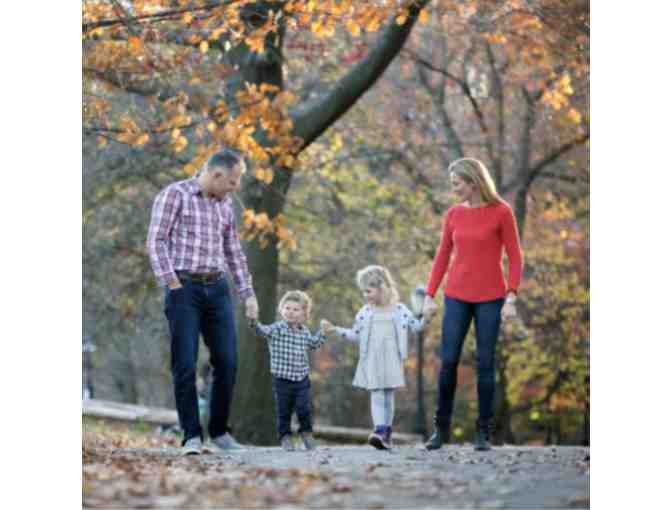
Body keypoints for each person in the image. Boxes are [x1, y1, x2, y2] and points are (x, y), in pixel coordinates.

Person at [146, 148, 259, 455]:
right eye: (233, 181)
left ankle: (220, 431)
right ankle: (191, 436)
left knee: (228, 360)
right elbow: (156, 240)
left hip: (217, 288)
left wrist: (247, 293)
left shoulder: (225, 205)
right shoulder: (174, 195)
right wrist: (172, 282)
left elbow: (233, 252)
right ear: (217, 174)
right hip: (184, 287)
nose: (236, 188)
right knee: (184, 362)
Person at [422, 157, 523, 452]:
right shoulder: (453, 214)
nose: (454, 189)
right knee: (449, 361)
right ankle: (441, 430)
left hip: (491, 297)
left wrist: (511, 296)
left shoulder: (501, 212)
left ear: (473, 181)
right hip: (456, 295)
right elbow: (442, 255)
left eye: (457, 183)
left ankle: (483, 432)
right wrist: (430, 294)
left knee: (485, 363)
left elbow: (515, 256)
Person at [322, 266, 433, 450]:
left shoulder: (399, 310)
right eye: (363, 291)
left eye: (368, 290)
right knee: (377, 393)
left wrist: (426, 318)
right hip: (372, 358)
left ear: (382, 287)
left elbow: (417, 326)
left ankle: (386, 434)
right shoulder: (365, 312)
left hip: (392, 358)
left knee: (388, 395)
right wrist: (336, 330)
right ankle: (380, 430)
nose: (365, 295)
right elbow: (355, 335)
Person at [249, 290, 327, 451]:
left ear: (304, 313)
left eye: (295, 309)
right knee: (283, 410)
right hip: (282, 379)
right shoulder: (277, 329)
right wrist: (253, 321)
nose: (291, 312)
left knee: (304, 407)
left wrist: (323, 332)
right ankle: (285, 436)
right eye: (287, 308)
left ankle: (306, 433)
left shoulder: (304, 331)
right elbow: (261, 331)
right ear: (281, 309)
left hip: (301, 378)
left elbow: (313, 344)